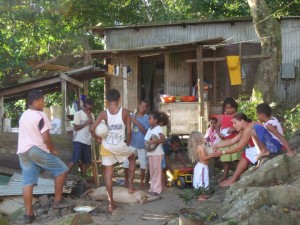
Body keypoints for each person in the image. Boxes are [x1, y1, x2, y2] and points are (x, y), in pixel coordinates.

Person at [17, 90, 74, 224]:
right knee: (62, 169)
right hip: (35, 150)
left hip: (23, 152)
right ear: (36, 101)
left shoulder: (23, 115)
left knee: (28, 183)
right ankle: (58, 201)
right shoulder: (40, 115)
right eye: (42, 101)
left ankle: (28, 215)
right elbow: (46, 137)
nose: (44, 103)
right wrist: (52, 149)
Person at [213, 112, 296, 187]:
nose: (233, 126)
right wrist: (216, 145)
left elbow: (238, 147)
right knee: (246, 154)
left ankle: (233, 180)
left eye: (235, 123)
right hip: (265, 147)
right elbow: (232, 141)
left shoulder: (250, 128)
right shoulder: (245, 128)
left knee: (245, 154)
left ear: (242, 121)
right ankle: (235, 178)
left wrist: (223, 152)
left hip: (271, 147)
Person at [90, 89, 136, 213]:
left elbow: (92, 129)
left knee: (108, 175)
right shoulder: (125, 112)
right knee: (132, 158)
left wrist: (98, 139)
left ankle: (111, 204)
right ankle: (130, 186)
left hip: (106, 146)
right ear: (119, 99)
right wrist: (127, 144)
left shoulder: (103, 114)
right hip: (119, 144)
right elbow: (129, 132)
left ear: (107, 101)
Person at [123, 100, 150, 188]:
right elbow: (127, 128)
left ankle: (141, 182)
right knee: (126, 162)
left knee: (143, 164)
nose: (142, 108)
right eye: (141, 105)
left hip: (142, 145)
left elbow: (146, 132)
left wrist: (136, 122)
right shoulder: (132, 116)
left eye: (145, 106)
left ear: (147, 108)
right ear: (138, 106)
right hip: (131, 143)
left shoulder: (147, 118)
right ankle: (126, 181)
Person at [67, 98, 95, 176]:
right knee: (75, 159)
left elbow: (92, 128)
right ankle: (63, 175)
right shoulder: (78, 114)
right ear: (84, 106)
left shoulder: (92, 115)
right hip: (78, 140)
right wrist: (86, 122)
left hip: (87, 141)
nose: (89, 111)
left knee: (85, 161)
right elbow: (76, 128)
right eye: (88, 109)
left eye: (91, 109)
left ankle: (83, 178)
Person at [145, 110, 169, 196]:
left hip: (158, 153)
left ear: (155, 120)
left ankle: (157, 189)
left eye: (150, 118)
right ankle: (152, 187)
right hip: (151, 153)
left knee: (157, 170)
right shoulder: (149, 130)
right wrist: (147, 146)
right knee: (152, 171)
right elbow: (146, 140)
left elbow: (163, 139)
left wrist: (155, 142)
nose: (148, 120)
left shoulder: (158, 128)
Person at [216, 97, 240, 183]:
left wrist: (234, 129)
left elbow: (242, 126)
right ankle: (225, 176)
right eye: (227, 108)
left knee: (236, 160)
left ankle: (238, 175)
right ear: (224, 108)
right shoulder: (222, 117)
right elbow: (217, 126)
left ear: (234, 107)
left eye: (230, 107)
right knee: (226, 161)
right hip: (225, 142)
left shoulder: (237, 116)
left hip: (235, 141)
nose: (229, 110)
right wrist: (219, 134)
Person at [188, 131, 214, 201]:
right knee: (201, 181)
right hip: (202, 167)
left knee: (203, 180)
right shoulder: (200, 147)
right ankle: (200, 196)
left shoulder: (199, 146)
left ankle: (203, 194)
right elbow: (204, 158)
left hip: (202, 166)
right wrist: (212, 155)